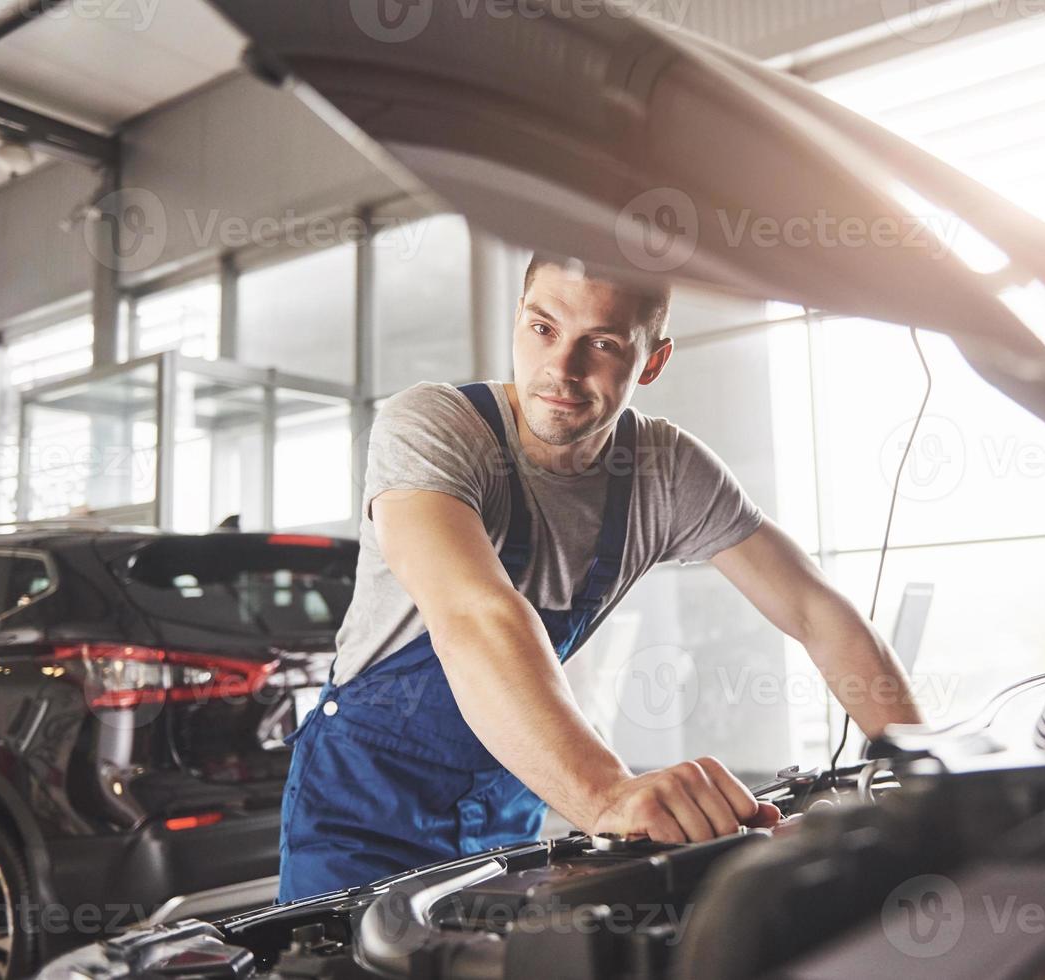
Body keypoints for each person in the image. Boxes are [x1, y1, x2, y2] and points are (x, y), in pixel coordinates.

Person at [277, 252, 923, 901]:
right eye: (543, 328)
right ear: (517, 323)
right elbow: (473, 616)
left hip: (509, 800)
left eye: (603, 343)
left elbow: (816, 611)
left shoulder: (665, 472)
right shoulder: (433, 427)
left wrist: (921, 774)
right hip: (360, 804)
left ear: (652, 360)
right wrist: (605, 793)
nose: (562, 367)